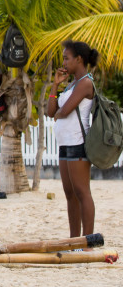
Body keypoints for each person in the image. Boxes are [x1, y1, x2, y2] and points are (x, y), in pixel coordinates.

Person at [47, 40, 100, 238]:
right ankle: (73, 239)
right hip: (64, 144)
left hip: (78, 143)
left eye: (67, 58)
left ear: (79, 59)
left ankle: (87, 241)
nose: (64, 62)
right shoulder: (71, 84)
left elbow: (65, 110)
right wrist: (55, 85)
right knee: (70, 194)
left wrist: (59, 111)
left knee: (82, 192)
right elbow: (51, 111)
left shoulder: (85, 83)